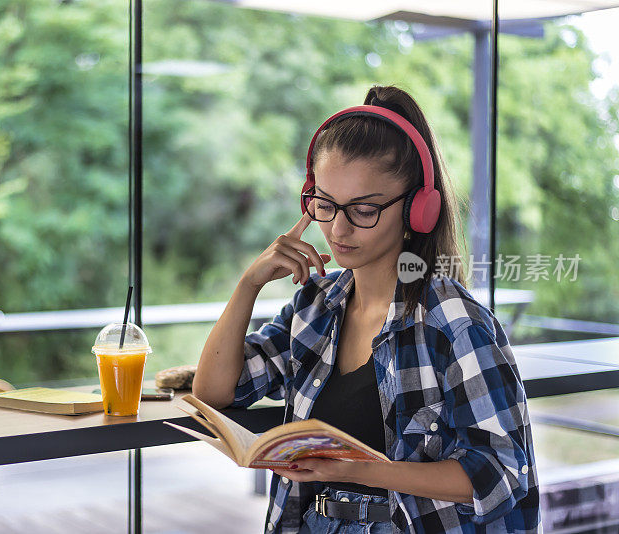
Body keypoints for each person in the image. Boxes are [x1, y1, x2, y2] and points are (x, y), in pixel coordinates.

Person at [192, 85, 540, 533]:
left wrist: (355, 469)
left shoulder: (453, 320)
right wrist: (249, 284)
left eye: (364, 210)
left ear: (419, 210)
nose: (338, 228)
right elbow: (215, 391)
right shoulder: (315, 307)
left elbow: (502, 472)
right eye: (325, 204)